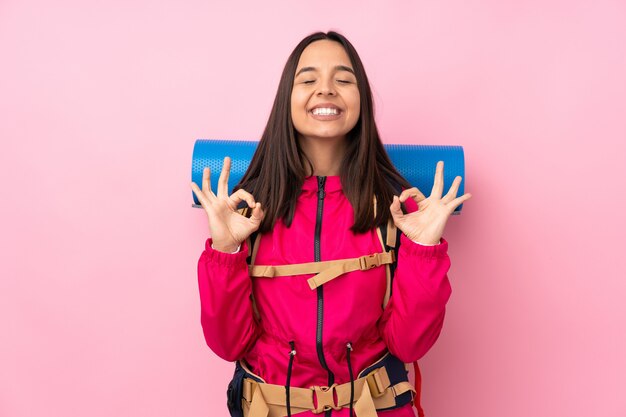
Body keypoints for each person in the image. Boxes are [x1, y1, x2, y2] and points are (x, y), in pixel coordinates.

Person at [190, 31, 472, 417]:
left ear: (362, 101)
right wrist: (225, 251)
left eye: (343, 80)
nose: (326, 90)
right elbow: (227, 344)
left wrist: (423, 251)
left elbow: (409, 346)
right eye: (308, 80)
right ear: (286, 100)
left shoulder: (395, 207)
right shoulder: (248, 208)